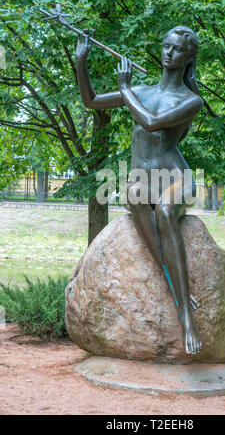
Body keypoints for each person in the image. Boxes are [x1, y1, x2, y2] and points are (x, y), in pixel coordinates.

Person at [76, 26, 204, 355]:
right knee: (133, 195)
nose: (168, 52)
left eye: (176, 49)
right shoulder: (143, 89)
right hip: (145, 180)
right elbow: (91, 102)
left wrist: (124, 88)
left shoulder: (191, 100)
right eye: (165, 46)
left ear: (189, 58)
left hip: (176, 177)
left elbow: (149, 121)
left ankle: (185, 315)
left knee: (163, 211)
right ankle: (177, 285)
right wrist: (81, 61)